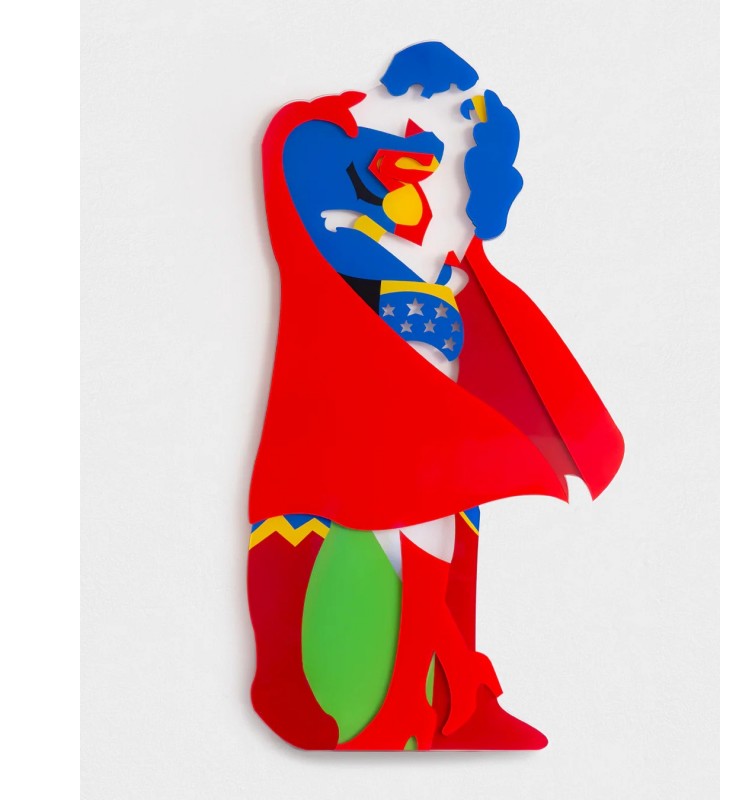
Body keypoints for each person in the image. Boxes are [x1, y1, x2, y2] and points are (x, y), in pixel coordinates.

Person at [248, 43, 624, 750]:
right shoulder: (325, 230)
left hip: (439, 425)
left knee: (441, 542)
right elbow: (302, 171)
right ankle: (393, 693)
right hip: (370, 424)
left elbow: (466, 267)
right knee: (388, 536)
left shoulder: (437, 254)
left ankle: (441, 695)